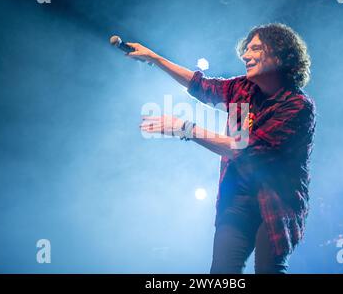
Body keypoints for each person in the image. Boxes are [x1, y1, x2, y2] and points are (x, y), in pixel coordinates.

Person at [130, 23, 316, 274]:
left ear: (280, 54)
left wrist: (186, 128)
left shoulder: (296, 106)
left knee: (268, 270)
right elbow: (201, 86)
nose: (246, 55)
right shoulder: (243, 89)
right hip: (237, 196)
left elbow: (244, 149)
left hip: (276, 201)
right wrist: (155, 58)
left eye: (256, 48)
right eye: (246, 50)